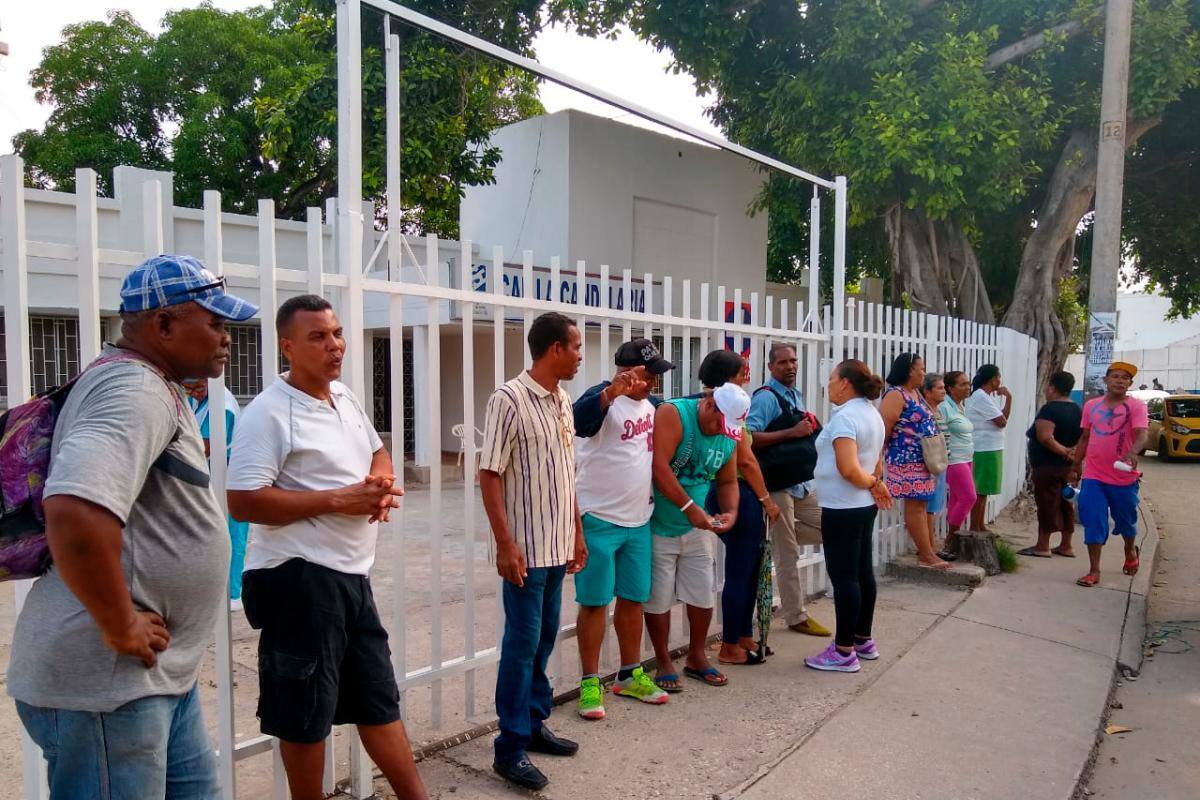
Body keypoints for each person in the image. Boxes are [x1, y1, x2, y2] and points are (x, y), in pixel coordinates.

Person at [8, 254, 258, 798]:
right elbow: (73, 510)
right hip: (106, 685)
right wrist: (121, 623)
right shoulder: (133, 391)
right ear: (163, 324)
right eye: (214, 323)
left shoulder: (150, 384)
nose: (226, 338)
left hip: (152, 677)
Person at [226, 295, 424, 800]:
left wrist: (379, 486)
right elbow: (244, 501)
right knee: (305, 712)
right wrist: (341, 499)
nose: (334, 345)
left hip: (351, 576)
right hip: (298, 578)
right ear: (287, 346)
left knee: (377, 699)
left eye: (336, 333)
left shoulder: (344, 397)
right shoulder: (268, 413)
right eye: (318, 336)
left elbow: (378, 450)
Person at [478, 312, 588, 792]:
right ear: (554, 349)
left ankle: (534, 723)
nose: (581, 355)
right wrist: (505, 543)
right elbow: (489, 474)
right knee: (521, 649)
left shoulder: (562, 400)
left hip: (557, 545)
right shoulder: (509, 399)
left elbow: (566, 475)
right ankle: (510, 749)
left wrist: (577, 534)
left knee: (543, 640)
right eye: (576, 346)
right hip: (525, 550)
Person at [571, 338, 674, 721]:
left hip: (638, 520)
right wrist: (611, 393)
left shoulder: (654, 406)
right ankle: (590, 681)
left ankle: (630, 674)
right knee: (595, 602)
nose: (653, 382)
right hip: (599, 519)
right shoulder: (602, 399)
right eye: (649, 374)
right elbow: (580, 421)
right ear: (626, 370)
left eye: (657, 375)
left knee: (632, 599)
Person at [645, 376, 746, 691]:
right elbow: (658, 468)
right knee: (658, 598)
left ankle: (696, 656)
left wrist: (731, 512)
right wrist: (690, 507)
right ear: (709, 403)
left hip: (697, 525)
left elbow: (728, 480)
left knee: (702, 594)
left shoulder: (728, 434)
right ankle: (663, 660)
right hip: (659, 523)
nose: (721, 431)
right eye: (720, 421)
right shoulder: (674, 414)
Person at [695, 351, 782, 667]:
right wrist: (766, 500)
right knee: (741, 569)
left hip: (730, 490)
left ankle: (743, 633)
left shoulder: (724, 405)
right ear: (728, 377)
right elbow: (745, 459)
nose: (746, 374)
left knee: (747, 567)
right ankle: (730, 643)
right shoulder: (728, 409)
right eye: (741, 370)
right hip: (737, 490)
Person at [804, 360, 892, 673]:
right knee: (861, 572)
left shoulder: (845, 419)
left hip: (843, 507)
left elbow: (849, 468)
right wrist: (874, 482)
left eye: (831, 378)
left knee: (844, 579)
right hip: (861, 505)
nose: (828, 384)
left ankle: (843, 651)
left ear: (844, 383)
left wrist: (873, 483)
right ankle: (862, 639)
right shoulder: (872, 414)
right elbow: (876, 460)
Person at [746, 342, 831, 637]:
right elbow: (748, 438)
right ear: (771, 367)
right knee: (788, 554)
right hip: (778, 484)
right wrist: (791, 432)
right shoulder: (766, 398)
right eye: (783, 362)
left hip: (800, 482)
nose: (791, 366)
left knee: (831, 527)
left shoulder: (794, 394)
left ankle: (777, 533)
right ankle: (796, 616)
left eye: (793, 361)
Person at [1070, 362, 1149, 588]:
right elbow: (1085, 437)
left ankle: (1129, 549)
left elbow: (1142, 434)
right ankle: (1094, 570)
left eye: (1125, 378)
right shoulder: (1091, 406)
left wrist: (1133, 452)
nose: (1120, 380)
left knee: (1126, 521)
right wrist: (1076, 466)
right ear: (1106, 380)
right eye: (1115, 376)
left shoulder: (1136, 406)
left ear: (1130, 384)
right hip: (1094, 475)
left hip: (1123, 477)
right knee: (1093, 519)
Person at [182, 377, 251, 607]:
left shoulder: (223, 405)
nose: (195, 392)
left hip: (230, 472)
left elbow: (205, 445)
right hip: (211, 471)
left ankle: (232, 593)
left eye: (198, 387)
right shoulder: (198, 400)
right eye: (191, 387)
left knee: (232, 533)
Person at [880, 353, 946, 568]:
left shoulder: (915, 393)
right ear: (910, 370)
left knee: (922, 503)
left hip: (923, 458)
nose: (923, 373)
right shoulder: (896, 395)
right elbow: (884, 429)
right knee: (916, 505)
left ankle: (928, 551)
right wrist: (880, 459)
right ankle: (926, 554)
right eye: (921, 368)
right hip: (905, 458)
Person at [1021, 371, 1082, 559]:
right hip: (1067, 466)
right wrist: (1074, 457)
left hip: (1048, 465)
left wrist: (1064, 451)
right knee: (1066, 503)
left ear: (1052, 387)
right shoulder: (1078, 410)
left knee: (1047, 503)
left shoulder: (1050, 409)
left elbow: (1045, 437)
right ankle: (1066, 545)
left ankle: (1043, 545)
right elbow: (1083, 437)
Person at [965, 364, 1011, 532]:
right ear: (992, 379)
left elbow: (1002, 419)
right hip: (984, 447)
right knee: (980, 490)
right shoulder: (980, 397)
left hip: (991, 447)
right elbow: (1002, 422)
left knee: (985, 490)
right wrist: (1008, 398)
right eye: (998, 377)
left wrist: (1009, 398)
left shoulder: (985, 396)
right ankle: (974, 526)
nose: (1000, 380)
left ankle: (980, 524)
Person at [937, 370, 976, 559]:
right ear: (951, 388)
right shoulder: (945, 406)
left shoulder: (959, 406)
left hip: (966, 458)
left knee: (956, 500)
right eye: (962, 384)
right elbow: (940, 431)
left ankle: (950, 542)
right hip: (954, 460)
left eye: (968, 383)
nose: (967, 387)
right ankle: (951, 540)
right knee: (969, 497)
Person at [921, 373, 951, 556]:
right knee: (929, 509)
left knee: (935, 506)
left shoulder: (937, 410)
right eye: (939, 388)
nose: (944, 391)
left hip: (940, 463)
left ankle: (930, 546)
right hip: (932, 465)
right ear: (928, 391)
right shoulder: (927, 412)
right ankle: (929, 548)